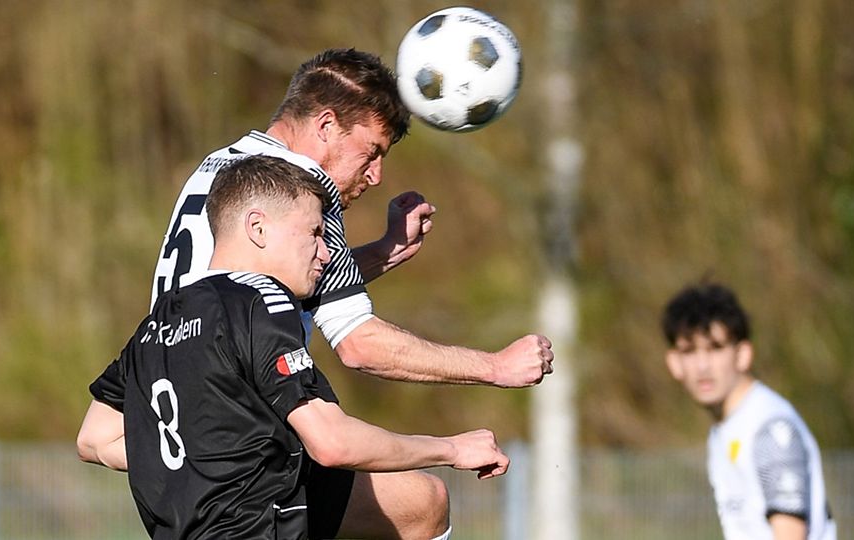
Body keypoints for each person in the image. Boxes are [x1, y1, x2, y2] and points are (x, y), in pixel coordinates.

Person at [138, 47, 552, 539]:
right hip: (241, 440)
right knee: (422, 502)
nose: (376, 174)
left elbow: (260, 285)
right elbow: (359, 344)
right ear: (327, 125)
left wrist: (384, 252)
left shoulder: (223, 171)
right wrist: (496, 367)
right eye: (372, 151)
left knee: (416, 502)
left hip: (177, 431)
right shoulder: (300, 187)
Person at [78, 155, 509, 540]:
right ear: (258, 228)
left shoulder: (156, 323)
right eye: (315, 233)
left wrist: (206, 458)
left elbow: (94, 440)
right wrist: (452, 448)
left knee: (420, 502)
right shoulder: (259, 297)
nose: (325, 252)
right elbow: (333, 443)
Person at [661, 282, 837, 540]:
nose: (702, 366)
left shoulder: (770, 428)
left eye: (715, 348)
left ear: (742, 354)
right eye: (689, 351)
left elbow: (789, 535)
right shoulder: (726, 430)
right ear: (674, 363)